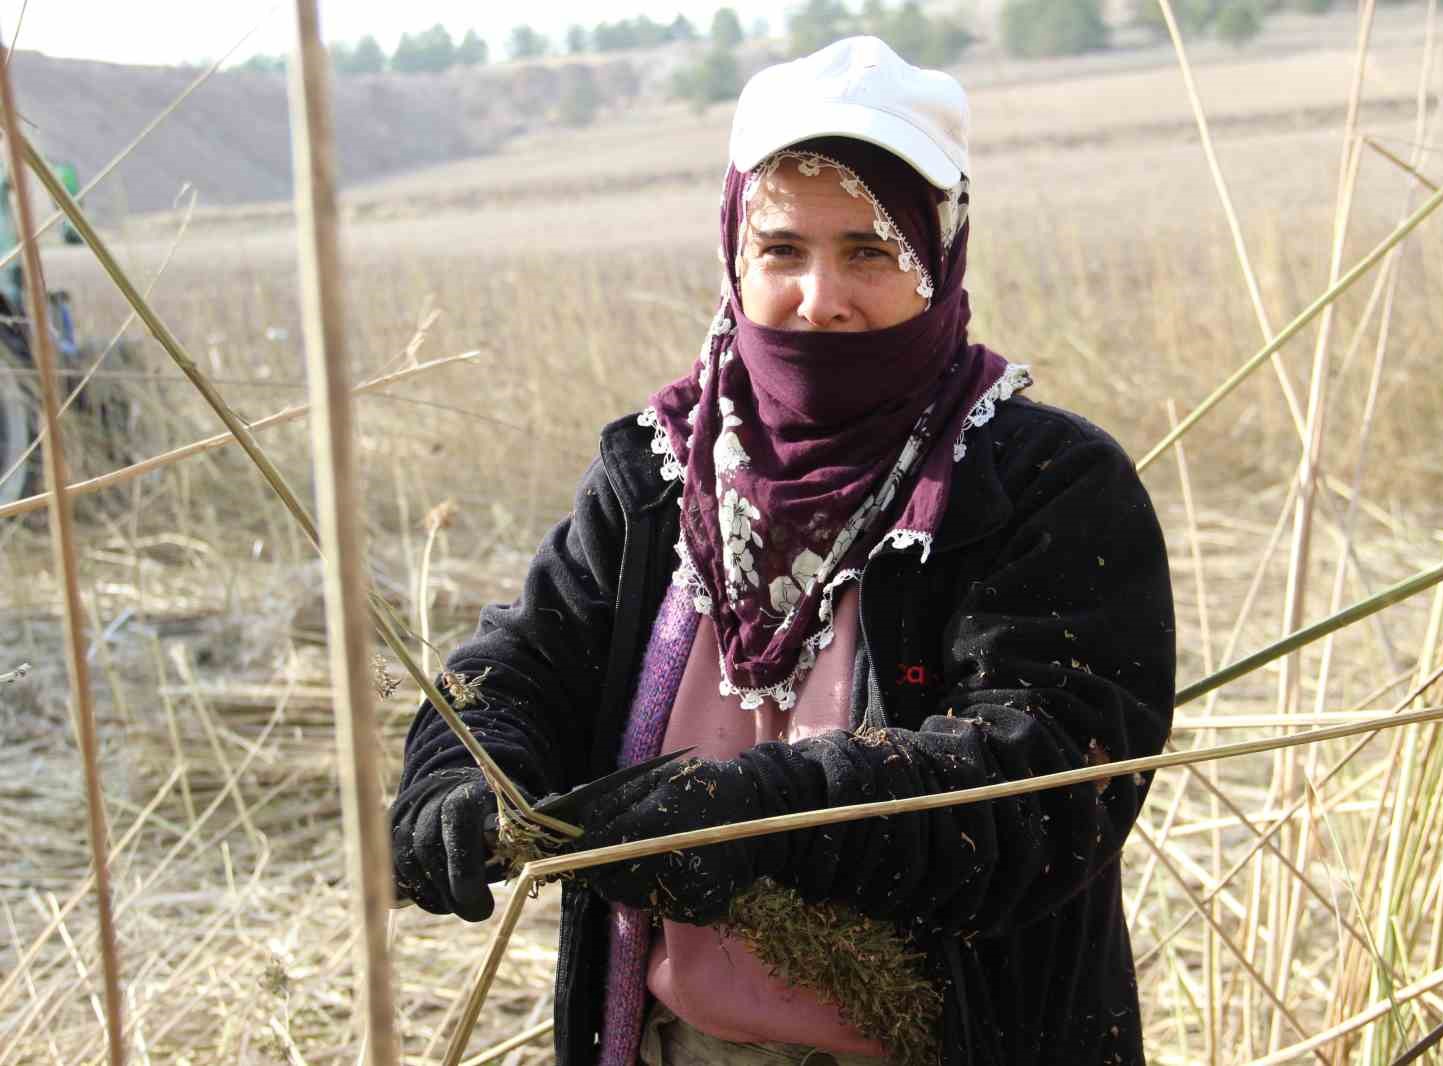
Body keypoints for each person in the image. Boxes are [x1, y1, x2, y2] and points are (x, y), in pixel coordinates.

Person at [389, 36, 1175, 1066]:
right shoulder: (653, 478)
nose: (820, 296)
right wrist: (460, 773)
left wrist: (759, 817)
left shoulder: (1038, 485)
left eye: (870, 250)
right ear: (733, 253)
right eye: (782, 251)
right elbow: (522, 667)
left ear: (939, 255)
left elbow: (1044, 782)